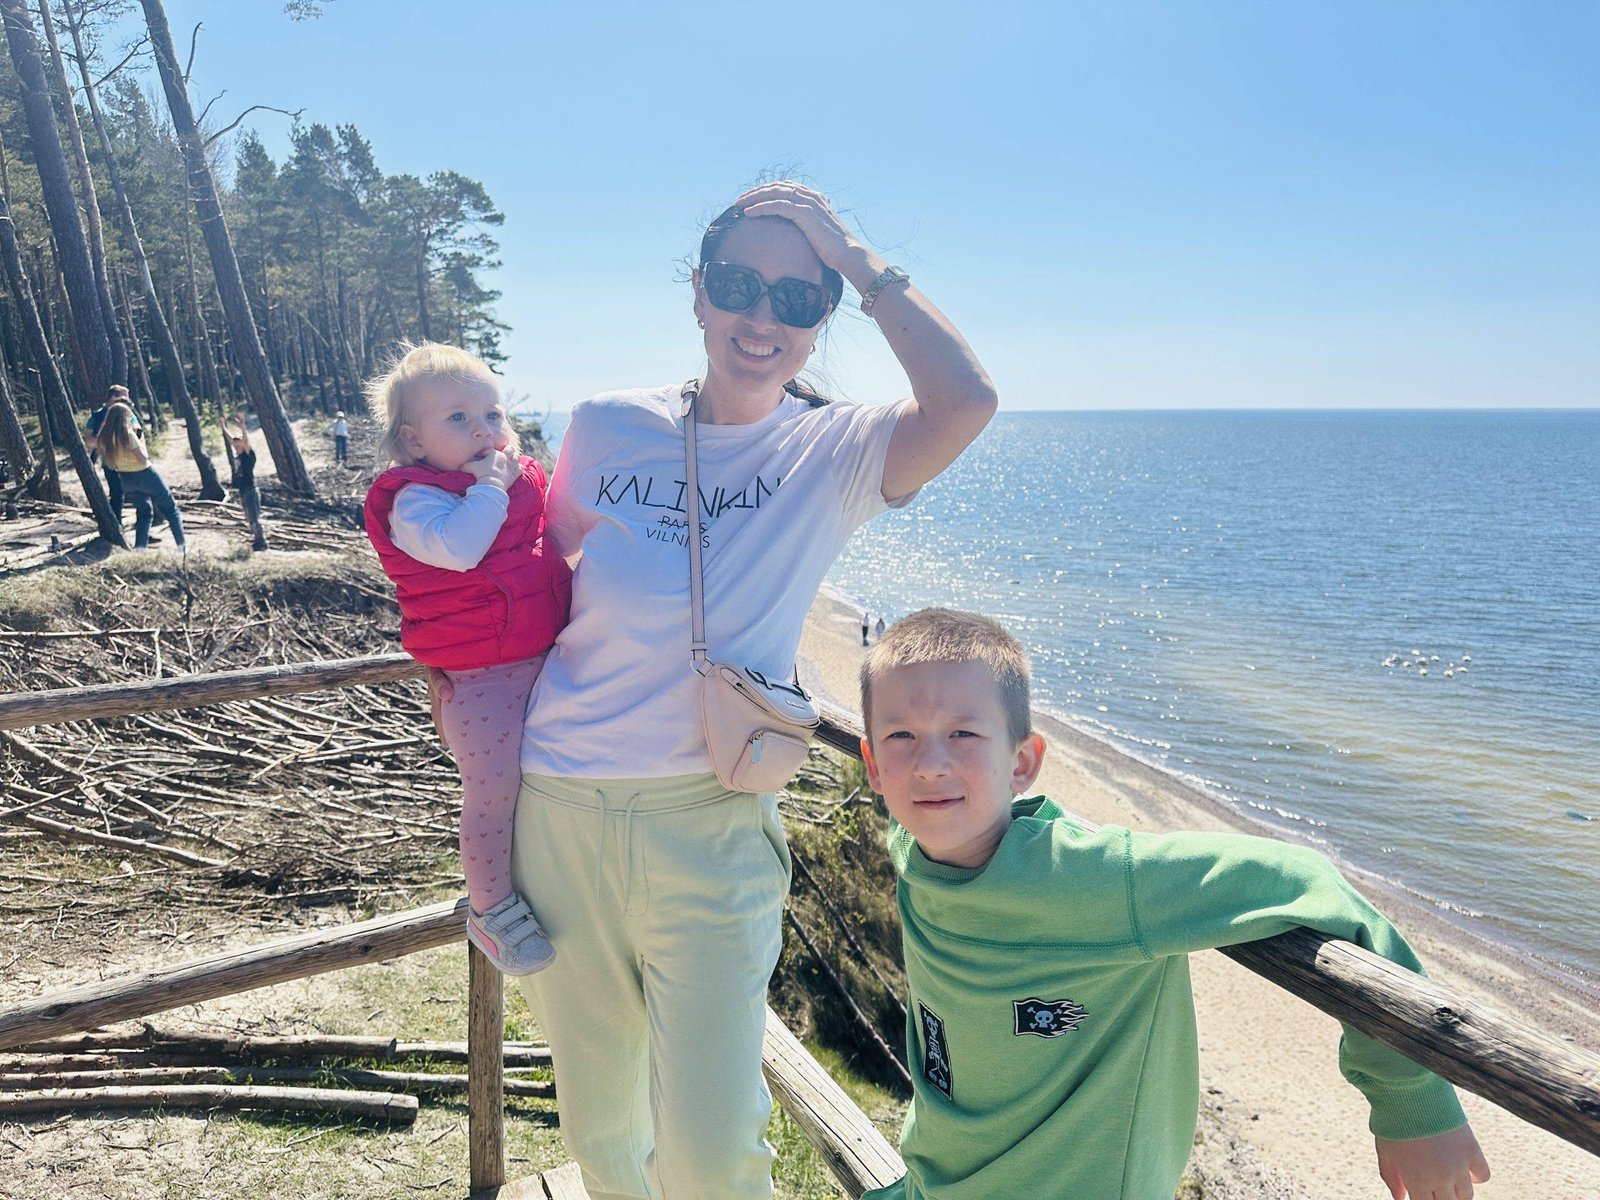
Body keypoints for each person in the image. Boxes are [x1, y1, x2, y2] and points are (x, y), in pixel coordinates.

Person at [484, 181, 997, 1200]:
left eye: (798, 299)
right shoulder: (605, 423)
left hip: (710, 821)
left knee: (715, 1152)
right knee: (598, 1131)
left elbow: (966, 402)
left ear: (821, 320)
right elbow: (549, 580)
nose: (762, 317)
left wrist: (855, 253)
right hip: (558, 805)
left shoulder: (834, 450)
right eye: (737, 285)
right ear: (698, 294)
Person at [856, 608, 1493, 1200]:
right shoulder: (912, 843)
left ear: (1022, 762)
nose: (929, 765)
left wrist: (1412, 1102)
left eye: (964, 733)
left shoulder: (1105, 882)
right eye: (902, 736)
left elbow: (1307, 881)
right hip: (933, 1181)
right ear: (874, 767)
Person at [364, 343, 571, 975]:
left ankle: (554, 879)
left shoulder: (512, 479)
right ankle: (492, 909)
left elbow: (557, 538)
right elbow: (459, 549)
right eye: (458, 418)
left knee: (551, 780)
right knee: (492, 794)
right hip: (480, 682)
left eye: (493, 412)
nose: (484, 428)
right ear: (414, 441)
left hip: (546, 657)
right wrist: (489, 489)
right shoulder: (414, 499)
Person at [94, 401, 186, 553]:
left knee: (144, 512)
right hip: (145, 475)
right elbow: (142, 459)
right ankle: (181, 546)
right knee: (170, 508)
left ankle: (140, 547)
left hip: (125, 479)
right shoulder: (128, 435)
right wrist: (141, 442)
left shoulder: (105, 439)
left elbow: (110, 464)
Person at [84, 384, 139, 525]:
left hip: (131, 460)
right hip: (111, 462)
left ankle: (143, 529)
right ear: (113, 398)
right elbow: (89, 441)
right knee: (116, 494)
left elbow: (138, 433)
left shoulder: (128, 414)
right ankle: (117, 526)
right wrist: (106, 440)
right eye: (122, 398)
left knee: (139, 493)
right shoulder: (97, 416)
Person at [222, 410, 269, 552]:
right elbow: (231, 440)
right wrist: (223, 427)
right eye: (235, 445)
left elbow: (246, 441)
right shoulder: (239, 454)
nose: (236, 446)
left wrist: (242, 426)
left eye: (239, 444)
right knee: (249, 518)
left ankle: (262, 542)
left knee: (255, 518)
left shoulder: (249, 455)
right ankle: (257, 541)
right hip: (243, 491)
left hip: (251, 490)